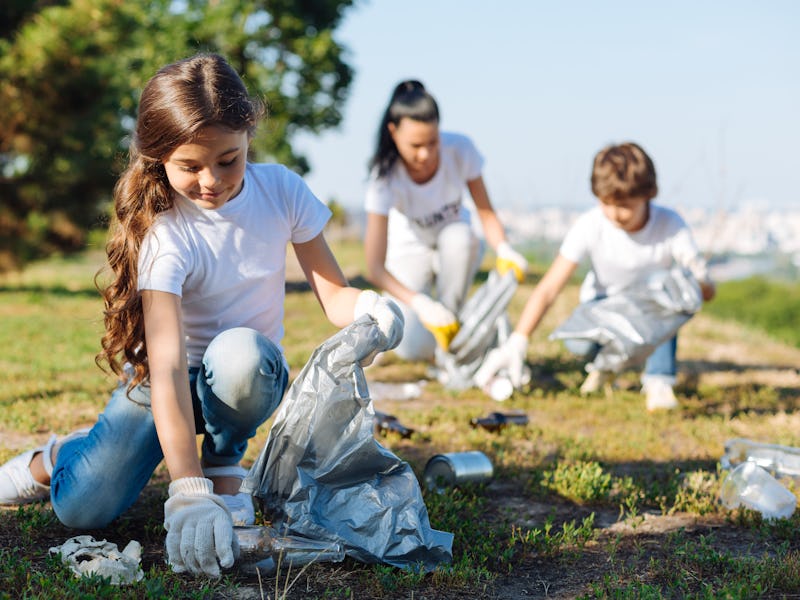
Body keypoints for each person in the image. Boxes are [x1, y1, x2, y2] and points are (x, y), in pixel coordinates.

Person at [0, 53, 402, 578]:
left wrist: (369, 306)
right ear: (158, 156)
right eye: (190, 166)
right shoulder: (165, 231)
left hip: (241, 376)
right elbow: (166, 368)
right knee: (83, 510)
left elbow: (334, 297)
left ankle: (225, 464)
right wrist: (185, 491)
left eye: (228, 160)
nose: (212, 180)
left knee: (241, 354)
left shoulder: (282, 190)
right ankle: (59, 456)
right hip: (163, 381)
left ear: (248, 137)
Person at [474, 142, 715, 411]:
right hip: (603, 306)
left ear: (648, 195)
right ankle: (606, 366)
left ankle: (659, 380)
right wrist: (518, 339)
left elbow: (703, 290)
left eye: (624, 206)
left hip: (651, 309)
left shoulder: (669, 225)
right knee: (577, 343)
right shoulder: (591, 224)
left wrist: (698, 281)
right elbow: (549, 288)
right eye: (606, 204)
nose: (614, 214)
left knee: (668, 294)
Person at [363, 80, 527, 361]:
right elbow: (375, 267)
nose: (425, 155)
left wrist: (503, 248)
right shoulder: (384, 179)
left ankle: (455, 328)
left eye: (432, 142)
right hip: (410, 250)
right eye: (415, 145)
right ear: (393, 132)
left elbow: (485, 213)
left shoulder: (460, 149)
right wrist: (421, 304)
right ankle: (441, 329)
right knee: (414, 348)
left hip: (454, 244)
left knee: (460, 238)